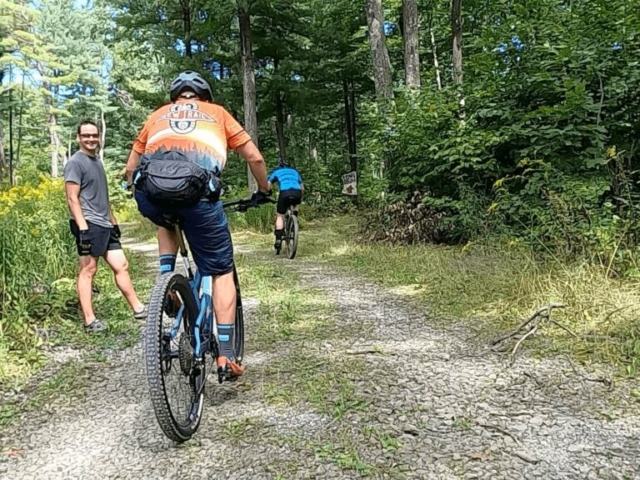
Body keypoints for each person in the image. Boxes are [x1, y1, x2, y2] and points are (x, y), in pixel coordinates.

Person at [124, 70, 271, 378]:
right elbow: (254, 158)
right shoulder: (217, 113)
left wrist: (133, 186)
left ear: (176, 96)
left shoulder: (157, 115)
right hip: (198, 196)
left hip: (151, 194)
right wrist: (263, 190)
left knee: (165, 217)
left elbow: (131, 166)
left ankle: (167, 281)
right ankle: (227, 356)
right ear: (204, 96)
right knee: (221, 270)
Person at [63, 120, 147, 333]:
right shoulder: (75, 162)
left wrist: (113, 220)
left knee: (122, 266)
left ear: (98, 137)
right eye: (86, 136)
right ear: (78, 138)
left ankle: (138, 308)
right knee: (88, 270)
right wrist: (83, 230)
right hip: (88, 223)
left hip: (104, 224)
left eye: (94, 135)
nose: (91, 139)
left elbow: (102, 196)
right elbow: (72, 198)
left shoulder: (96, 161)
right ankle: (90, 321)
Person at [267, 162, 304, 253]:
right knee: (296, 204)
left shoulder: (277, 171)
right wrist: (301, 197)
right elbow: (302, 188)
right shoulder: (295, 172)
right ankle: (294, 217)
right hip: (297, 192)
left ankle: (279, 239)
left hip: (284, 192)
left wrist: (268, 192)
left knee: (280, 215)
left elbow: (268, 184)